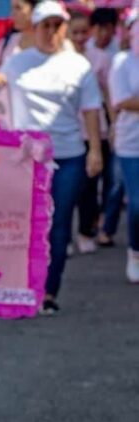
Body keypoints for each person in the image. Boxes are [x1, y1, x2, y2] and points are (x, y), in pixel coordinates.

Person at [0, 0, 104, 314]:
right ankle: (22, 285)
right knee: (24, 224)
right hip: (25, 159)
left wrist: (95, 150)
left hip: (68, 155)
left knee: (57, 223)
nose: (52, 32)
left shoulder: (78, 65)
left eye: (58, 25)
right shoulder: (17, 62)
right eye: (46, 25)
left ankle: (48, 290)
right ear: (35, 28)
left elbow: (91, 110)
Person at [70, 8, 115, 255]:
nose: (79, 37)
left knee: (89, 187)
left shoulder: (101, 58)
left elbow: (109, 95)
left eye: (83, 32)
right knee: (65, 189)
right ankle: (61, 236)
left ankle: (86, 231)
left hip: (95, 131)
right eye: (73, 32)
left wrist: (114, 124)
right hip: (66, 132)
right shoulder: (58, 60)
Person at [109, 16, 139, 282]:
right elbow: (122, 101)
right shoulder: (121, 62)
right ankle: (135, 251)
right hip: (131, 145)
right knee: (137, 203)